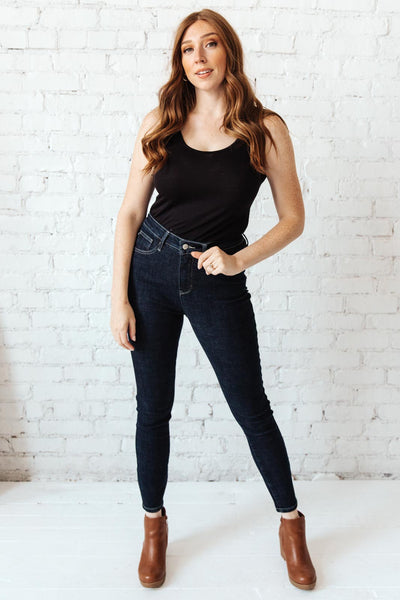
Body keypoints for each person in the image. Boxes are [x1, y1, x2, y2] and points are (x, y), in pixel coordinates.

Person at [110, 8, 316, 591]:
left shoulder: (264, 128)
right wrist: (118, 298)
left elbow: (293, 219)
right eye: (187, 49)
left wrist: (237, 260)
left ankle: (291, 524)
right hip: (150, 270)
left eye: (210, 45)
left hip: (216, 277)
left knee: (251, 407)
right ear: (179, 61)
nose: (198, 58)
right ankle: (154, 527)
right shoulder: (162, 121)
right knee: (153, 408)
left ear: (229, 53)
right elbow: (130, 212)